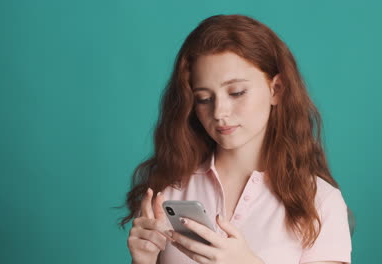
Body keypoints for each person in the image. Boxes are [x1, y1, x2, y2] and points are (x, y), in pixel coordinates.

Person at [118, 14, 353, 264]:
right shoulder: (169, 191)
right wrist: (143, 261)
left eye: (237, 92)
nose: (219, 113)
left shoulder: (320, 202)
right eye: (204, 99)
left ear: (276, 89)